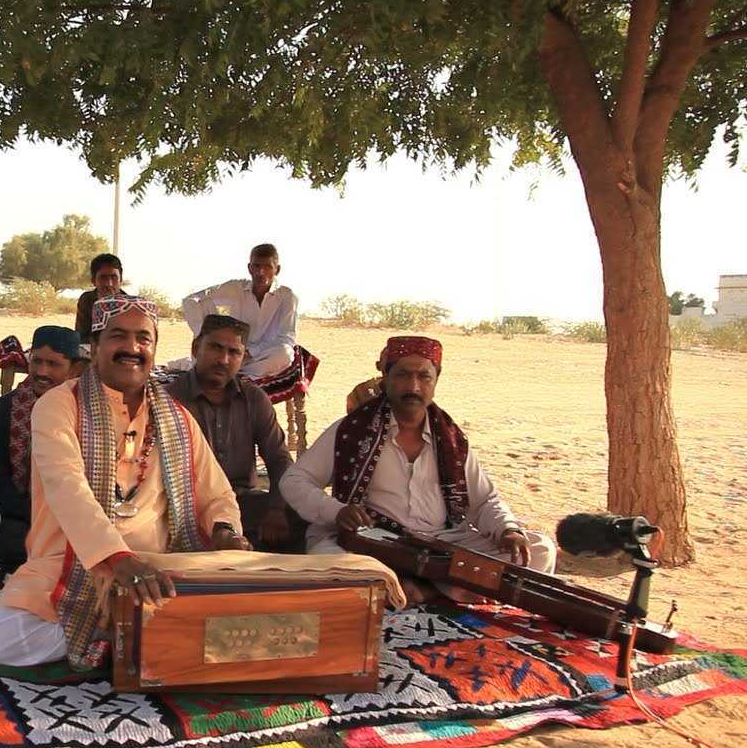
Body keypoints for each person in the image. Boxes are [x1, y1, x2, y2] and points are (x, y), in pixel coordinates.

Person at [0, 295, 255, 669]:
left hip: (158, 568)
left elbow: (216, 491)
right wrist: (116, 559)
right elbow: (67, 487)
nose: (132, 348)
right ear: (96, 346)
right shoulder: (58, 405)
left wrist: (224, 530)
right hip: (72, 561)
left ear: (153, 349)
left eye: (143, 339)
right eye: (119, 336)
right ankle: (126, 632)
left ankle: (124, 630)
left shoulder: (175, 418)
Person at [279, 335, 558, 605]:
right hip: (376, 542)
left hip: (443, 545)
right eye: (402, 375)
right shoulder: (351, 430)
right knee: (333, 563)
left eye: (424, 376)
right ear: (386, 377)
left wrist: (507, 530)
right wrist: (336, 511)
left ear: (436, 380)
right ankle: (436, 586)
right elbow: (294, 480)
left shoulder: (450, 438)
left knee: (539, 550)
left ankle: (419, 587)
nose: (413, 386)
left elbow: (484, 500)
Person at [165, 314, 293, 546]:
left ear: (243, 358)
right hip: (186, 507)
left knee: (305, 519)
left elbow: (279, 459)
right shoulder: (170, 399)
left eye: (234, 352)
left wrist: (276, 509)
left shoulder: (254, 399)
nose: (223, 359)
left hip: (244, 504)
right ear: (195, 348)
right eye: (215, 347)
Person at [0, 325, 80, 570]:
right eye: (36, 361)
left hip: (72, 517)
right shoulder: (4, 409)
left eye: (53, 364)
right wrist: (40, 517)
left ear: (74, 369)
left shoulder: (85, 411)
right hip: (18, 516)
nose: (42, 372)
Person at [179, 243, 298, 379]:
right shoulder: (235, 288)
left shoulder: (287, 297)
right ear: (249, 268)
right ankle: (226, 368)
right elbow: (191, 300)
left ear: (277, 270)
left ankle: (239, 375)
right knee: (204, 303)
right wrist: (204, 335)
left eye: (267, 267)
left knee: (285, 353)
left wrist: (251, 351)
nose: (261, 273)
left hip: (262, 356)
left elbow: (286, 338)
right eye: (257, 266)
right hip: (230, 350)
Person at [73, 253, 123, 343]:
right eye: (103, 278)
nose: (109, 284)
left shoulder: (130, 305)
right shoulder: (86, 300)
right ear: (93, 280)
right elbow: (81, 336)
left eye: (114, 277)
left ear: (121, 279)